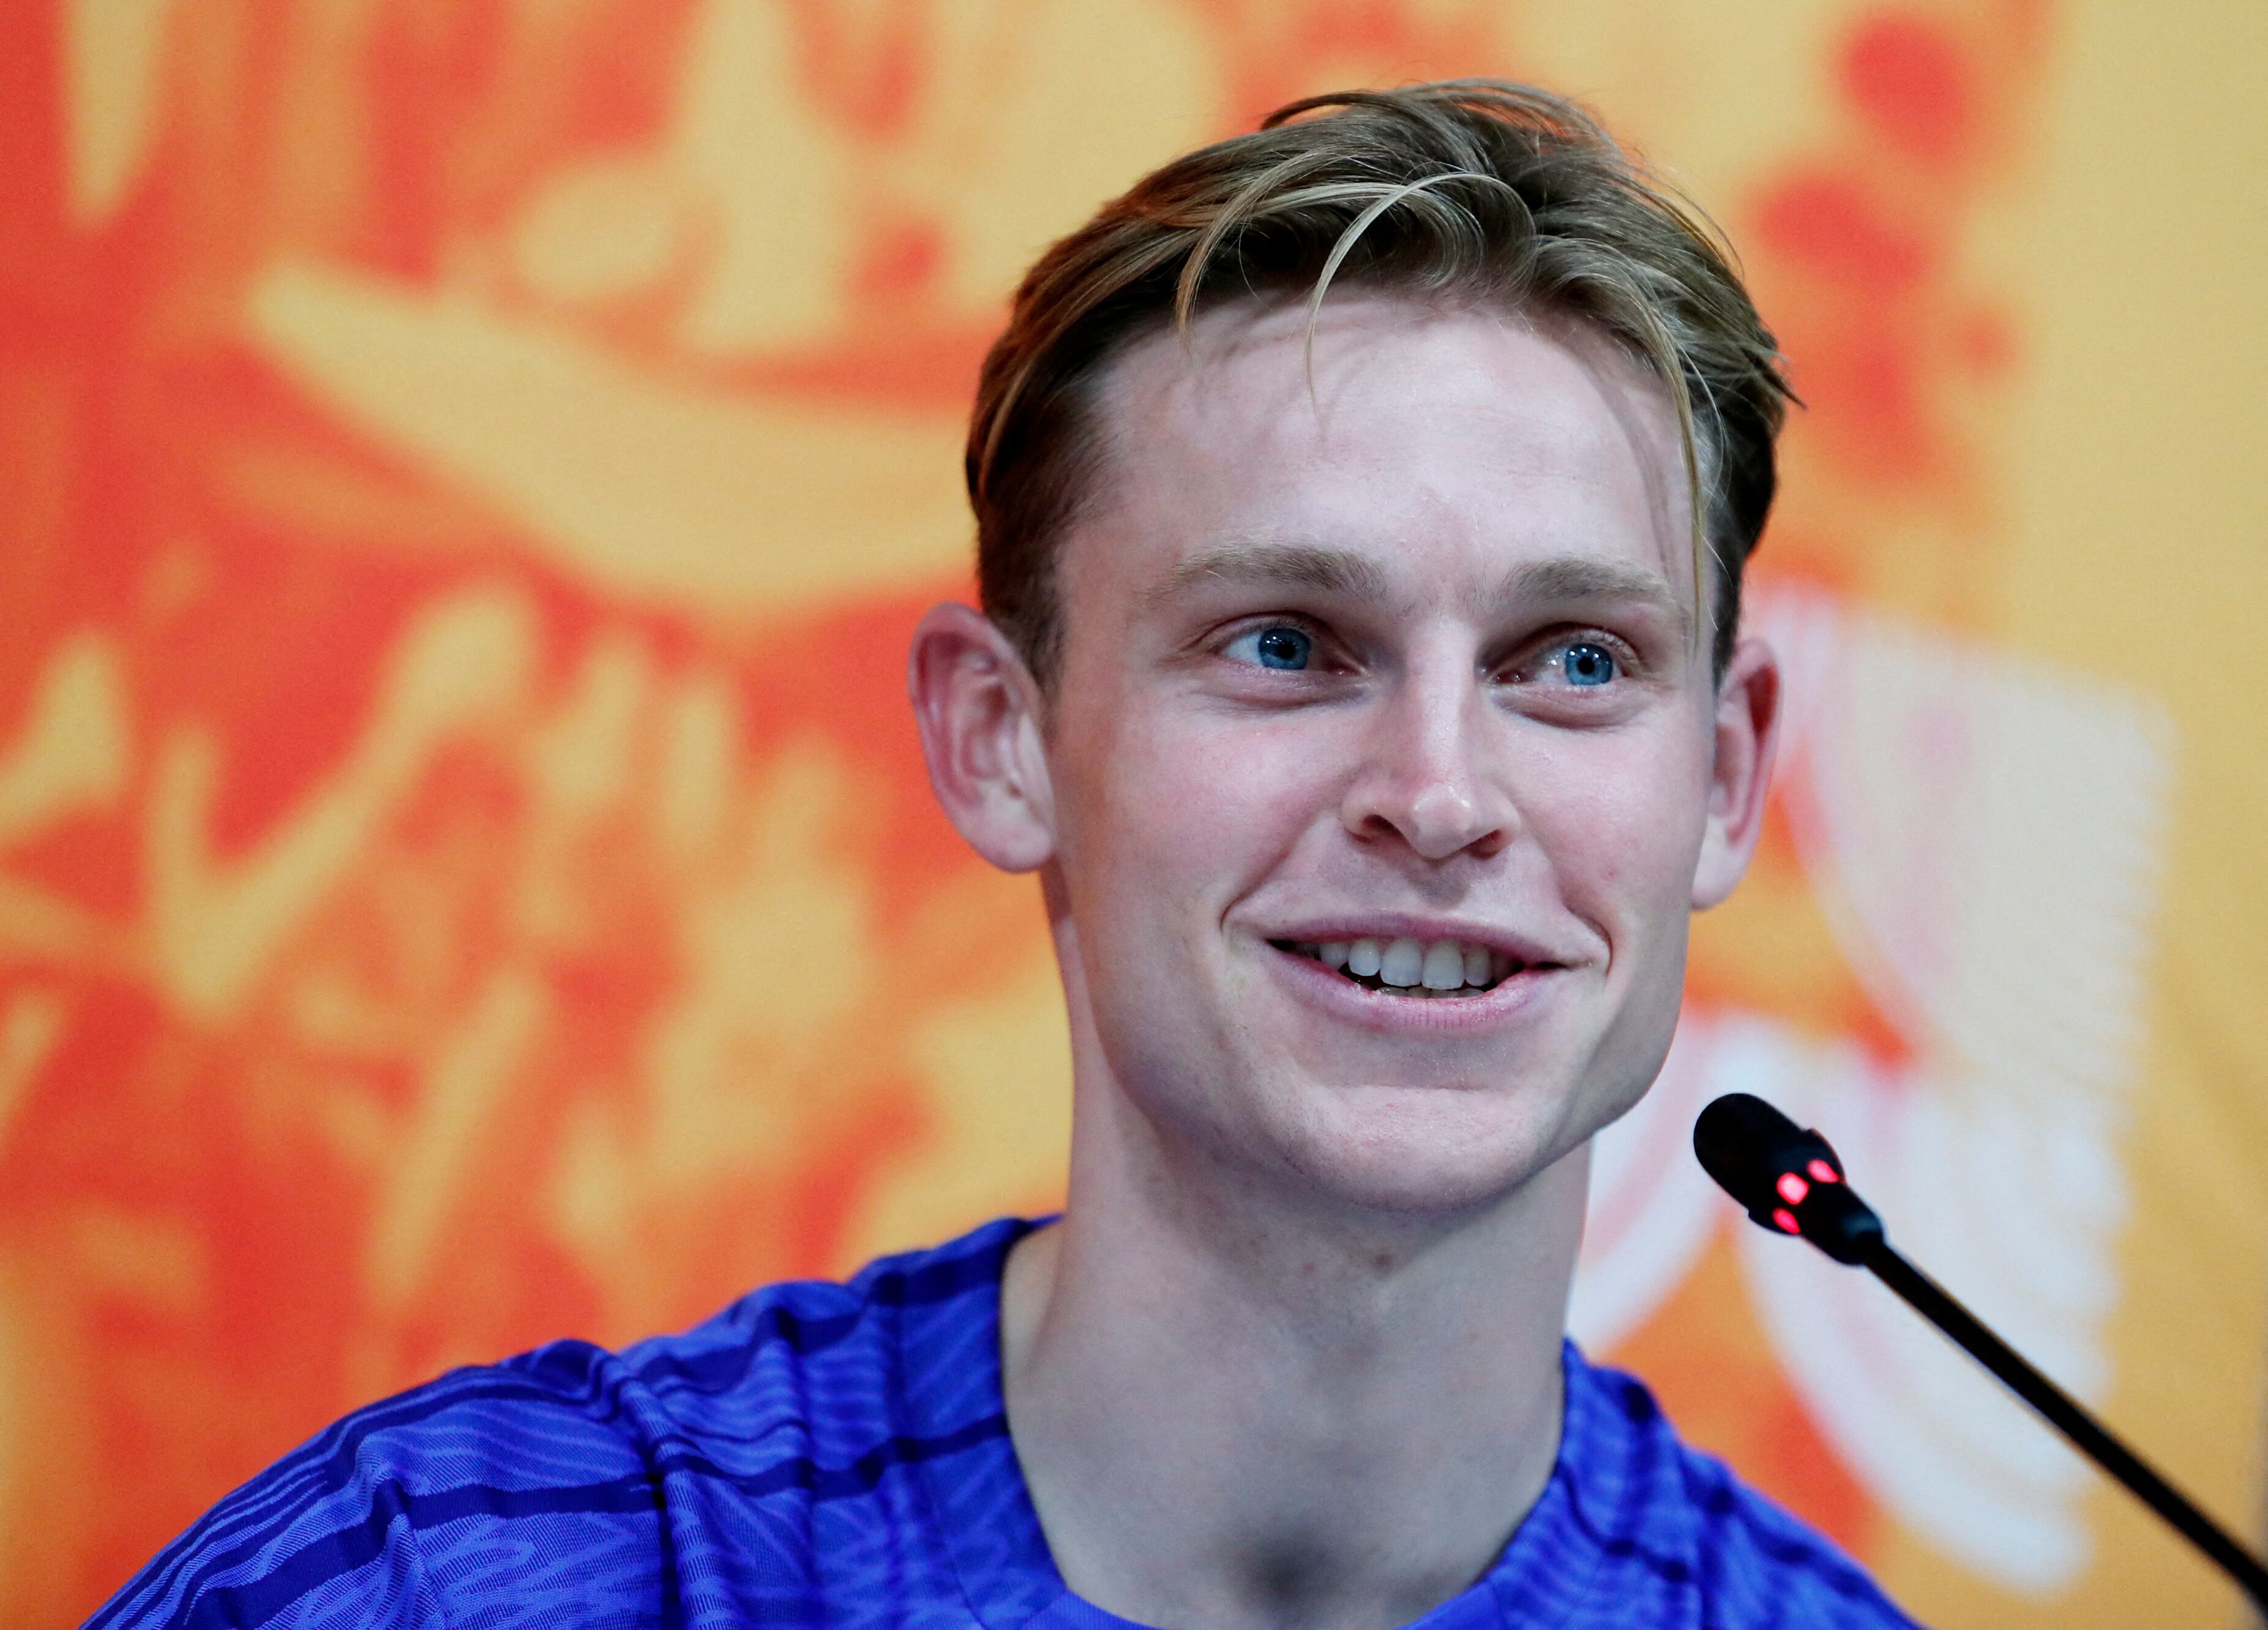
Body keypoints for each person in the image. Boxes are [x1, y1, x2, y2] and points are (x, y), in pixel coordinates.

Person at [93, 81, 1920, 1630]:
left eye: (1574, 663)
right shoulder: (440, 1585)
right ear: (999, 740)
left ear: (1724, 778)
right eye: (1284, 641)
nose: (1439, 793)